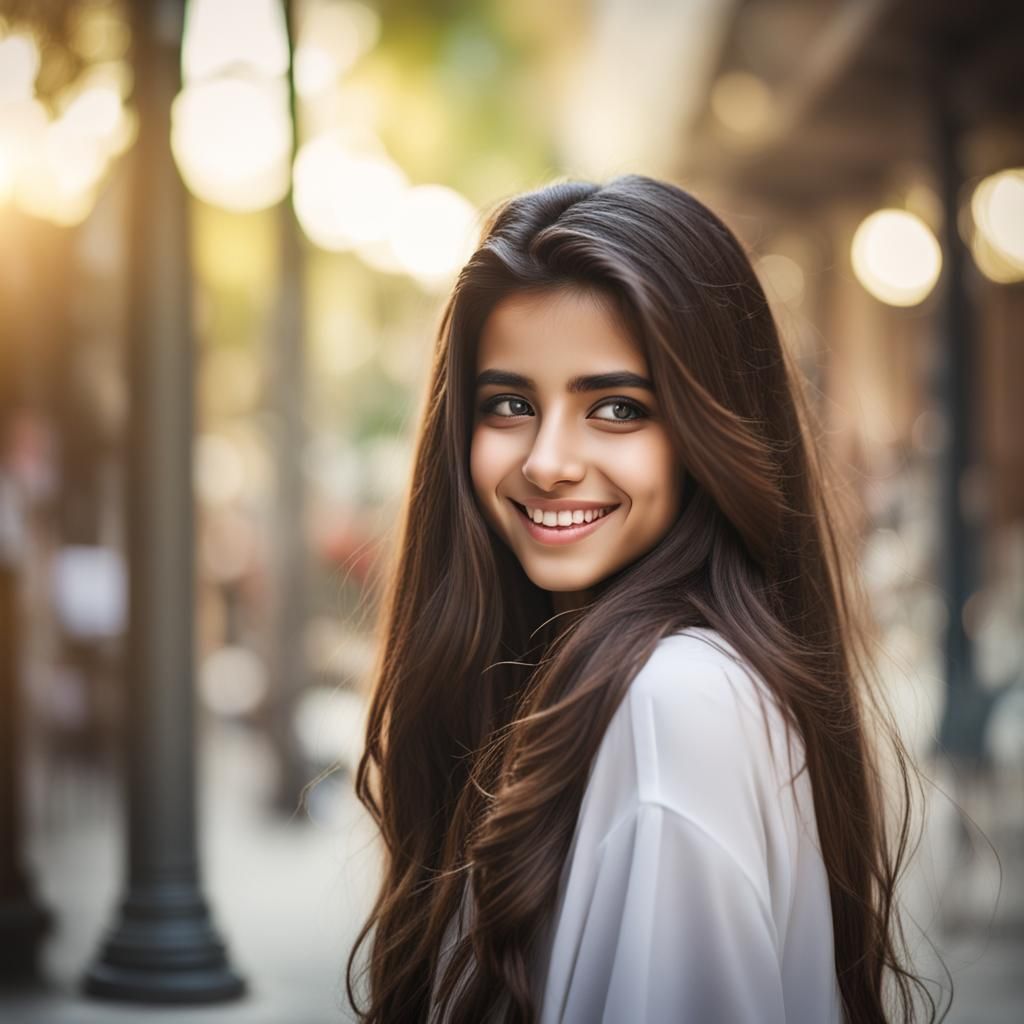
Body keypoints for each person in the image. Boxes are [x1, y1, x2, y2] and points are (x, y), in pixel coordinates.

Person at [345, 176, 943, 1023]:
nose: (548, 460)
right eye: (510, 404)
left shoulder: (675, 705)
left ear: (711, 430)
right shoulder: (589, 684)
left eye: (617, 408)